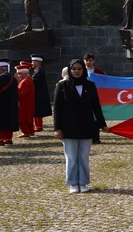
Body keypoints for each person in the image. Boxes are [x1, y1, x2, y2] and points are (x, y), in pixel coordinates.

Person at [53, 59, 109, 194]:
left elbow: (96, 106)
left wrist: (102, 124)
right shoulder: (62, 86)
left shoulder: (90, 85)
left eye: (79, 69)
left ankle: (83, 182)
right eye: (74, 69)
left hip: (86, 126)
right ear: (70, 70)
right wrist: (57, 128)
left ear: (83, 70)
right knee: (71, 157)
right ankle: (73, 182)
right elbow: (57, 108)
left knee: (84, 157)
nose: (77, 71)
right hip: (68, 127)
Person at [83, 53, 104, 144]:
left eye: (90, 60)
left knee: (95, 116)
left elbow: (104, 82)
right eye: (86, 60)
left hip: (96, 95)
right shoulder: (81, 70)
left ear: (93, 61)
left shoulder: (98, 71)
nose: (88, 62)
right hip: (84, 96)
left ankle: (96, 137)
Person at [31, 55, 51, 132]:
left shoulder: (39, 71)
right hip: (37, 94)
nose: (32, 63)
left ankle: (38, 126)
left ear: (37, 62)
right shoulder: (37, 71)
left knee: (38, 111)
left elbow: (34, 81)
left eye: (33, 62)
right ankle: (37, 125)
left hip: (39, 95)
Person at [15, 63, 35, 138]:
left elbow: (22, 93)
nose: (19, 75)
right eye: (18, 74)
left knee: (23, 118)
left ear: (25, 73)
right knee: (28, 117)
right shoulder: (27, 80)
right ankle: (30, 131)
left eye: (20, 74)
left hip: (24, 103)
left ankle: (26, 132)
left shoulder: (25, 81)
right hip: (27, 102)